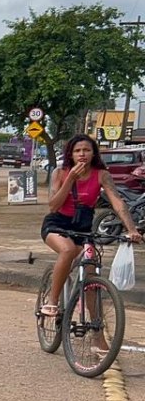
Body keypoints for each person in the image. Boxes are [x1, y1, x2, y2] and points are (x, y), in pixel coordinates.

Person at [40, 134, 142, 318]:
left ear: (94, 153)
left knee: (91, 270)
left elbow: (117, 203)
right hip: (57, 224)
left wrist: (131, 229)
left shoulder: (102, 174)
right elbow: (53, 205)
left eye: (86, 150)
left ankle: (97, 332)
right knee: (68, 250)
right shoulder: (60, 173)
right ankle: (52, 302)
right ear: (70, 154)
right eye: (77, 151)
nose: (82, 154)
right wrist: (70, 178)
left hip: (83, 227)